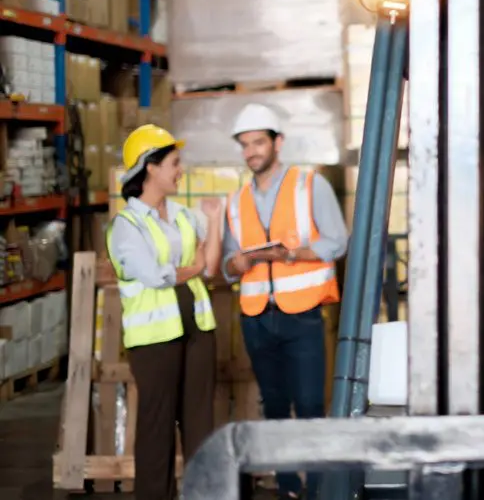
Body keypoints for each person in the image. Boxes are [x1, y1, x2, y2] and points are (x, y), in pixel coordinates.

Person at [221, 102, 349, 500]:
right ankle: (290, 486)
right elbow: (227, 265)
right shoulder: (236, 200)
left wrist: (294, 254)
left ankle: (318, 484)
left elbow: (337, 241)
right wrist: (237, 261)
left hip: (302, 315)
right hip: (257, 317)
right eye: (244, 145)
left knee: (310, 403)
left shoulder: (309, 185)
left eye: (258, 142)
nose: (251, 152)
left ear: (278, 142)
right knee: (274, 404)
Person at [104, 124, 222, 500]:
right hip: (154, 341)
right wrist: (194, 265)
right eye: (174, 163)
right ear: (150, 168)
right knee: (157, 429)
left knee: (200, 423)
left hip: (198, 329)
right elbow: (156, 277)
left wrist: (215, 223)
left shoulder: (185, 215)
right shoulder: (126, 226)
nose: (180, 170)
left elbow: (212, 265)